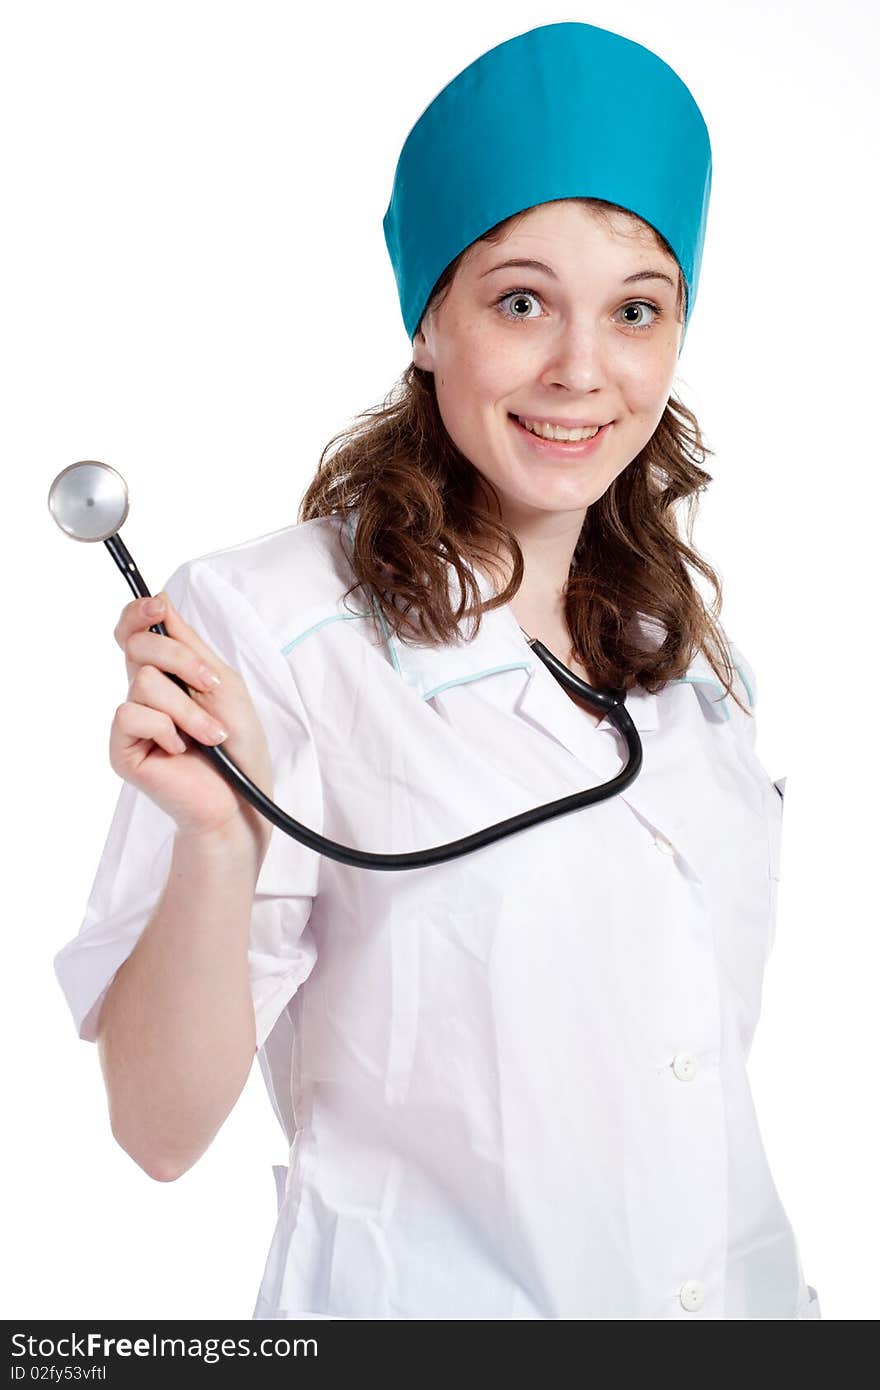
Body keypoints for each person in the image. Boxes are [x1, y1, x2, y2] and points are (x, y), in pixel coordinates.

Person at [53, 21, 821, 1320]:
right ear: (429, 321)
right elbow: (158, 1126)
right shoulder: (270, 627)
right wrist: (218, 846)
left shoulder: (689, 660)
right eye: (521, 300)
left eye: (637, 309)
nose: (583, 370)